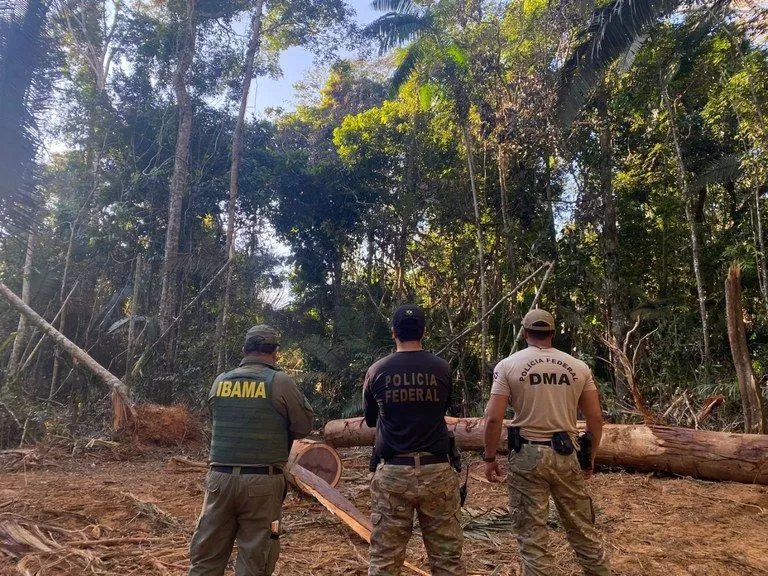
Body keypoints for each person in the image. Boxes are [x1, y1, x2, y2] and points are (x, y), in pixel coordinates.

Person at [483, 309, 611, 576]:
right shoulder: (578, 367)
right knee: (582, 529)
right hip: (567, 454)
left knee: (532, 536)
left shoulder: (508, 366)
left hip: (527, 454)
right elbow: (595, 419)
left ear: (526, 333)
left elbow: (494, 419)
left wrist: (490, 457)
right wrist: (590, 456)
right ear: (552, 333)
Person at [188, 325, 315, 576]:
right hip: (262, 482)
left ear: (244, 350)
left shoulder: (220, 381)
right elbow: (303, 427)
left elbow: (218, 418)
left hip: (218, 481)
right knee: (256, 559)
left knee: (205, 558)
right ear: (275, 353)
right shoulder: (280, 382)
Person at [363, 304, 466, 576]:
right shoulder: (442, 369)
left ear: (394, 332)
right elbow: (443, 408)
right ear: (423, 331)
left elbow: (371, 420)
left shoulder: (377, 371)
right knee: (447, 559)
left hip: (393, 473)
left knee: (385, 559)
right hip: (437, 471)